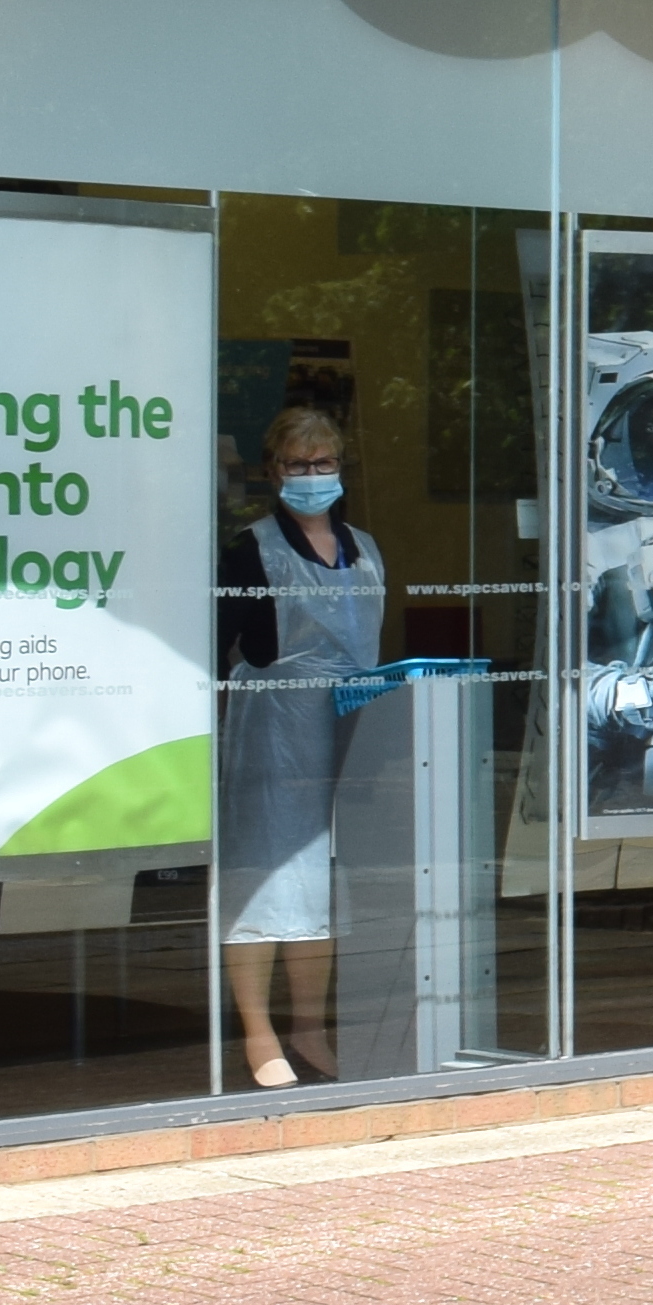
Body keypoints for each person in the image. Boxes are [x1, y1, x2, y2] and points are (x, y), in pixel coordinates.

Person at [215, 404, 384, 1089]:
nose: (312, 475)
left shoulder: (366, 547)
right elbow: (217, 643)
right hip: (275, 731)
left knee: (321, 891)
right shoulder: (250, 548)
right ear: (271, 471)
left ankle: (310, 1029)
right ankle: (258, 1032)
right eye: (297, 464)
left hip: (351, 727)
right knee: (264, 879)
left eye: (324, 464)